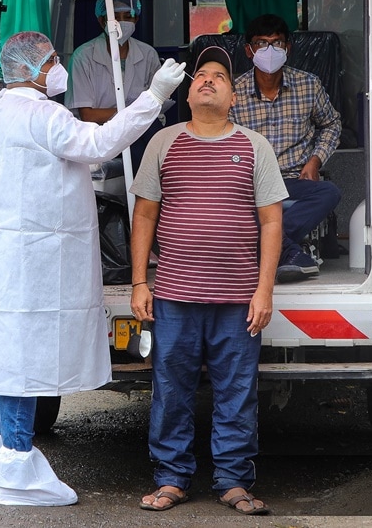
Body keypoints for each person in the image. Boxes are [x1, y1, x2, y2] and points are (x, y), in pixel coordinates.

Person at [0, 31, 185, 506]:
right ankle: (18, 468)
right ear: (34, 68)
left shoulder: (2, 107)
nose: (59, 66)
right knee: (24, 360)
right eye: (52, 61)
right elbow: (99, 142)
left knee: (9, 352)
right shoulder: (41, 113)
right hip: (37, 257)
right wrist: (155, 95)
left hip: (16, 253)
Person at [130, 45, 285, 516]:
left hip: (238, 299)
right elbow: (145, 214)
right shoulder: (164, 141)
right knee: (170, 390)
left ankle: (234, 482)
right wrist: (140, 282)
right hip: (175, 295)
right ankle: (171, 478)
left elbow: (272, 223)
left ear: (234, 97)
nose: (207, 80)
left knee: (237, 393)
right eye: (200, 75)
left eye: (219, 76)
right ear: (187, 91)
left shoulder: (254, 146)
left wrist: (264, 290)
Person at [228, 13, 341, 282]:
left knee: (329, 192)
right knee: (231, 205)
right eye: (261, 43)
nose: (269, 50)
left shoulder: (308, 84)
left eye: (276, 43)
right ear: (248, 50)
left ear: (288, 48)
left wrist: (315, 161)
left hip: (294, 180)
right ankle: (291, 252)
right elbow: (226, 139)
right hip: (252, 186)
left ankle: (266, 245)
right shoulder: (234, 91)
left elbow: (332, 124)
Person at [67, 0, 163, 171]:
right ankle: (140, 196)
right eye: (115, 18)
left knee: (156, 138)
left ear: (136, 18)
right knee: (136, 144)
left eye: (128, 16)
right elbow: (88, 115)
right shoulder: (84, 57)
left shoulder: (147, 54)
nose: (122, 22)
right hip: (100, 132)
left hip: (139, 129)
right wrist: (133, 112)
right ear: (102, 20)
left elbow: (157, 102)